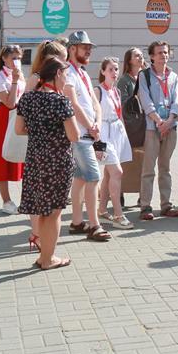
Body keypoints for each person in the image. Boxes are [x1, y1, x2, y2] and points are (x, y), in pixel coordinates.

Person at [14, 57, 78, 269]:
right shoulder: (61, 101)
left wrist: (39, 132)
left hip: (34, 159)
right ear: (58, 73)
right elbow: (74, 135)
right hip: (57, 160)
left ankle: (44, 256)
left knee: (42, 210)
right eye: (65, 75)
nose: (66, 80)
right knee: (54, 212)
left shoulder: (27, 98)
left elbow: (18, 129)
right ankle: (48, 259)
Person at [64, 31, 111, 241]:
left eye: (90, 47)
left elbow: (94, 102)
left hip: (87, 135)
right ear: (72, 48)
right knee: (94, 177)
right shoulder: (67, 72)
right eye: (85, 47)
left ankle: (76, 222)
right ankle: (94, 225)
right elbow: (72, 103)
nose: (89, 50)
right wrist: (90, 127)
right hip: (79, 136)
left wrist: (97, 124)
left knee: (81, 178)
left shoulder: (81, 72)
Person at [137, 40, 178, 220]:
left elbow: (176, 102)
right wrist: (159, 122)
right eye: (160, 53)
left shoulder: (173, 76)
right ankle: (145, 206)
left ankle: (166, 205)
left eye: (166, 52)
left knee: (166, 168)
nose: (164, 56)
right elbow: (145, 101)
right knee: (148, 169)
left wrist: (170, 121)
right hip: (151, 127)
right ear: (152, 57)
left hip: (170, 127)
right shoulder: (145, 76)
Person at [94, 57, 134, 230]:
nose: (114, 72)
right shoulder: (98, 90)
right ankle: (118, 214)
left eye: (116, 69)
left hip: (117, 132)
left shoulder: (116, 91)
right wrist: (97, 142)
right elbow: (92, 115)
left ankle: (102, 210)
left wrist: (124, 135)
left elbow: (120, 115)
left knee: (109, 174)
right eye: (110, 69)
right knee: (117, 172)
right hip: (103, 134)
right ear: (103, 72)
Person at [0, 45, 25, 214]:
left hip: (20, 116)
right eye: (13, 57)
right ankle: (6, 201)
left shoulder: (20, 74)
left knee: (23, 155)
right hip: (5, 116)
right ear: (4, 58)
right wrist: (15, 81)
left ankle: (26, 198)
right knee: (3, 156)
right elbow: (9, 102)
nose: (16, 61)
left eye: (19, 57)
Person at [117, 47, 146, 208]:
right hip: (130, 126)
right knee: (127, 160)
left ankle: (143, 196)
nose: (140, 57)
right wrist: (137, 99)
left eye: (141, 55)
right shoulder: (125, 80)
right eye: (137, 55)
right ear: (129, 60)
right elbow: (122, 104)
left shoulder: (145, 77)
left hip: (145, 124)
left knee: (144, 161)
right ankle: (120, 192)